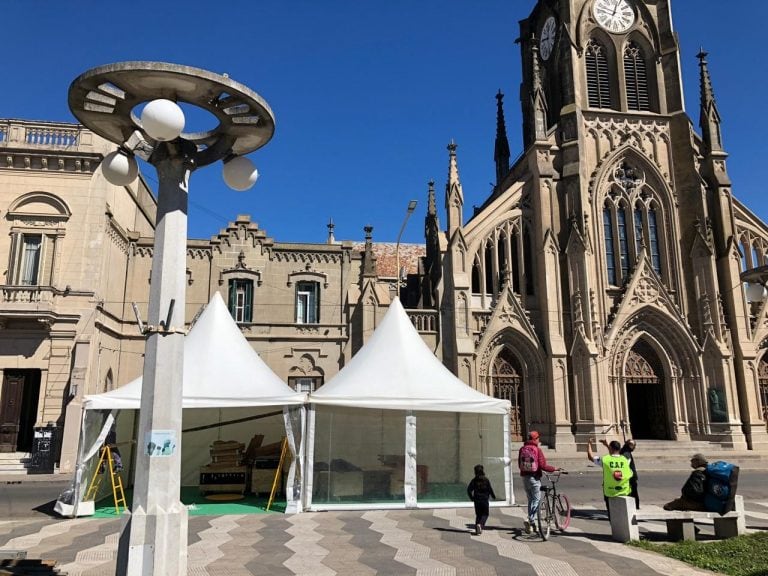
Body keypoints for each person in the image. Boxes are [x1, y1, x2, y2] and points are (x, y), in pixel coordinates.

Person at [518, 430, 560, 534]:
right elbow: (543, 466)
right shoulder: (537, 450)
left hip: (524, 478)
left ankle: (532, 524)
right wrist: (554, 469)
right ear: (535, 439)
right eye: (538, 438)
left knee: (530, 500)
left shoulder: (522, 449)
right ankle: (529, 519)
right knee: (537, 499)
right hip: (534, 478)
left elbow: (520, 464)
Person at [587, 437, 632, 518]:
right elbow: (615, 455)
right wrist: (607, 445)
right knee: (625, 515)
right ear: (619, 448)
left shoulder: (605, 460)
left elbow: (591, 457)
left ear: (610, 448)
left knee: (612, 514)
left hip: (610, 491)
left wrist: (589, 444)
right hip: (624, 490)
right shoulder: (625, 460)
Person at [601, 438, 638, 508]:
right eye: (633, 445)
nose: (634, 447)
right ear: (628, 445)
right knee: (632, 496)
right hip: (628, 478)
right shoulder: (626, 453)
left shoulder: (625, 451)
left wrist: (607, 445)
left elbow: (614, 453)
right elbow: (614, 454)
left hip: (628, 477)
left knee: (632, 496)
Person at [467, 464, 496, 535]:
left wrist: (472, 498)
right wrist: (493, 496)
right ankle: (480, 525)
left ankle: (477, 529)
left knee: (478, 515)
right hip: (484, 500)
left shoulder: (474, 480)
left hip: (477, 500)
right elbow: (490, 489)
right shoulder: (486, 480)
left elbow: (469, 490)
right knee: (485, 514)